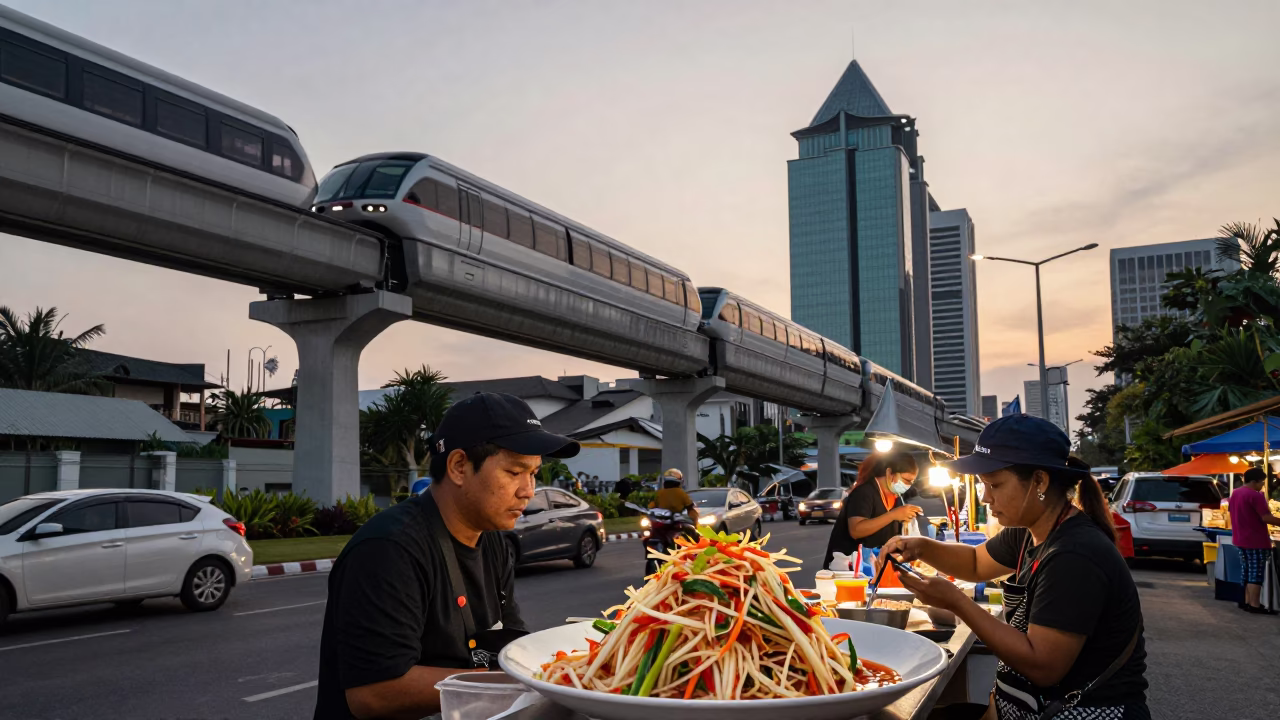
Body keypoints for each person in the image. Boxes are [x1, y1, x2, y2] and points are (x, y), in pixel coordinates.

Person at [314, 393, 580, 720]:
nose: (528, 490)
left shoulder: (493, 541)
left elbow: (507, 644)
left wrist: (568, 672)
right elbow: (374, 693)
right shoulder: (389, 549)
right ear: (458, 466)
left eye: (534, 473)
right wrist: (523, 684)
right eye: (514, 472)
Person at [883, 415, 1148, 719]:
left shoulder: (1074, 555)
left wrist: (956, 602)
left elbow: (1043, 666)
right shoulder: (1029, 531)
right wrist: (921, 547)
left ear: (1039, 481)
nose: (985, 497)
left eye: (994, 484)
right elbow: (975, 563)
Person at [823, 450, 922, 569]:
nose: (908, 485)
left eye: (912, 482)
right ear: (889, 472)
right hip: (848, 567)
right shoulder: (864, 493)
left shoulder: (897, 498)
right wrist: (893, 515)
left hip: (875, 566)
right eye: (906, 480)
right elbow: (856, 530)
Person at [1229, 467, 1280, 614]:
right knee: (1256, 573)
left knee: (1246, 571)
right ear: (1254, 481)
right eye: (1261, 482)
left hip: (1240, 538)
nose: (1263, 485)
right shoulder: (1256, 496)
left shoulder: (1236, 493)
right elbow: (1266, 517)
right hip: (1255, 539)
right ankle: (1255, 605)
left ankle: (1245, 602)